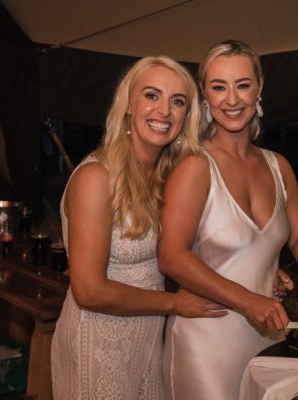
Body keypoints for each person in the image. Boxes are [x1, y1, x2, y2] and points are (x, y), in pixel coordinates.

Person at [158, 40, 298, 400]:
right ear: (205, 93)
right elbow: (171, 256)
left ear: (259, 87)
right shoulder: (194, 167)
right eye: (219, 87)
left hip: (268, 339)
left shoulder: (279, 166)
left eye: (242, 85)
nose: (232, 100)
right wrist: (248, 301)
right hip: (206, 341)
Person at [50, 55, 228, 400]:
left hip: (147, 341)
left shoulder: (166, 176)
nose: (164, 110)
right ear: (128, 105)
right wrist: (174, 304)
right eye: (151, 95)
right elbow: (88, 290)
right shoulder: (95, 178)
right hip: (98, 345)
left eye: (177, 101)